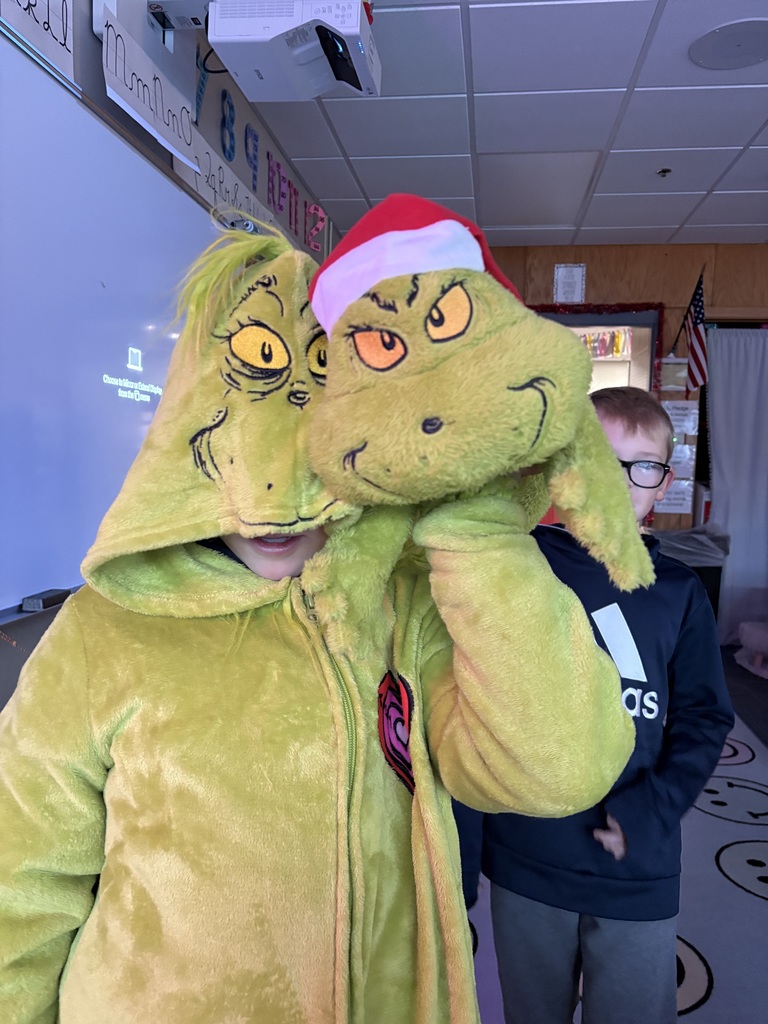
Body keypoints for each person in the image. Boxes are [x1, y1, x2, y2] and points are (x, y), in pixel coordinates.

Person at [0, 225, 634, 1024]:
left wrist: (474, 533)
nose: (281, 497)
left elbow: (560, 770)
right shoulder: (107, 630)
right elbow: (18, 881)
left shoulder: (412, 603)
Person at [470, 385, 735, 1024]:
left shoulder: (679, 592)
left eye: (640, 466)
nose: (619, 483)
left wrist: (654, 808)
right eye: (596, 460)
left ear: (662, 482)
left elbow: (706, 716)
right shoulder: (521, 563)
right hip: (527, 854)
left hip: (636, 859)